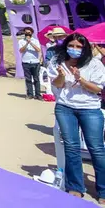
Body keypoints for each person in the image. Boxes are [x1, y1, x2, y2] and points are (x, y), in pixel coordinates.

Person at [47, 33, 105, 201]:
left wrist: (80, 79)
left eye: (79, 47)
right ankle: (75, 186)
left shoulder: (94, 64)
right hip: (65, 108)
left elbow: (97, 89)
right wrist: (62, 76)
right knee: (71, 147)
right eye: (71, 46)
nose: (75, 49)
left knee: (97, 149)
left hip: (90, 109)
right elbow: (56, 85)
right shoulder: (57, 61)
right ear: (66, 46)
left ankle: (102, 189)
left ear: (85, 48)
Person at [18, 27, 42, 100]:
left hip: (35, 62)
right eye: (26, 32)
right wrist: (26, 44)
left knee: (36, 79)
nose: (27, 33)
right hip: (26, 62)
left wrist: (30, 43)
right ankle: (30, 94)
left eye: (29, 32)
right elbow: (21, 51)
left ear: (32, 33)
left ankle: (38, 94)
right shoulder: (21, 41)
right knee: (28, 79)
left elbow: (38, 50)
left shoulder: (36, 41)